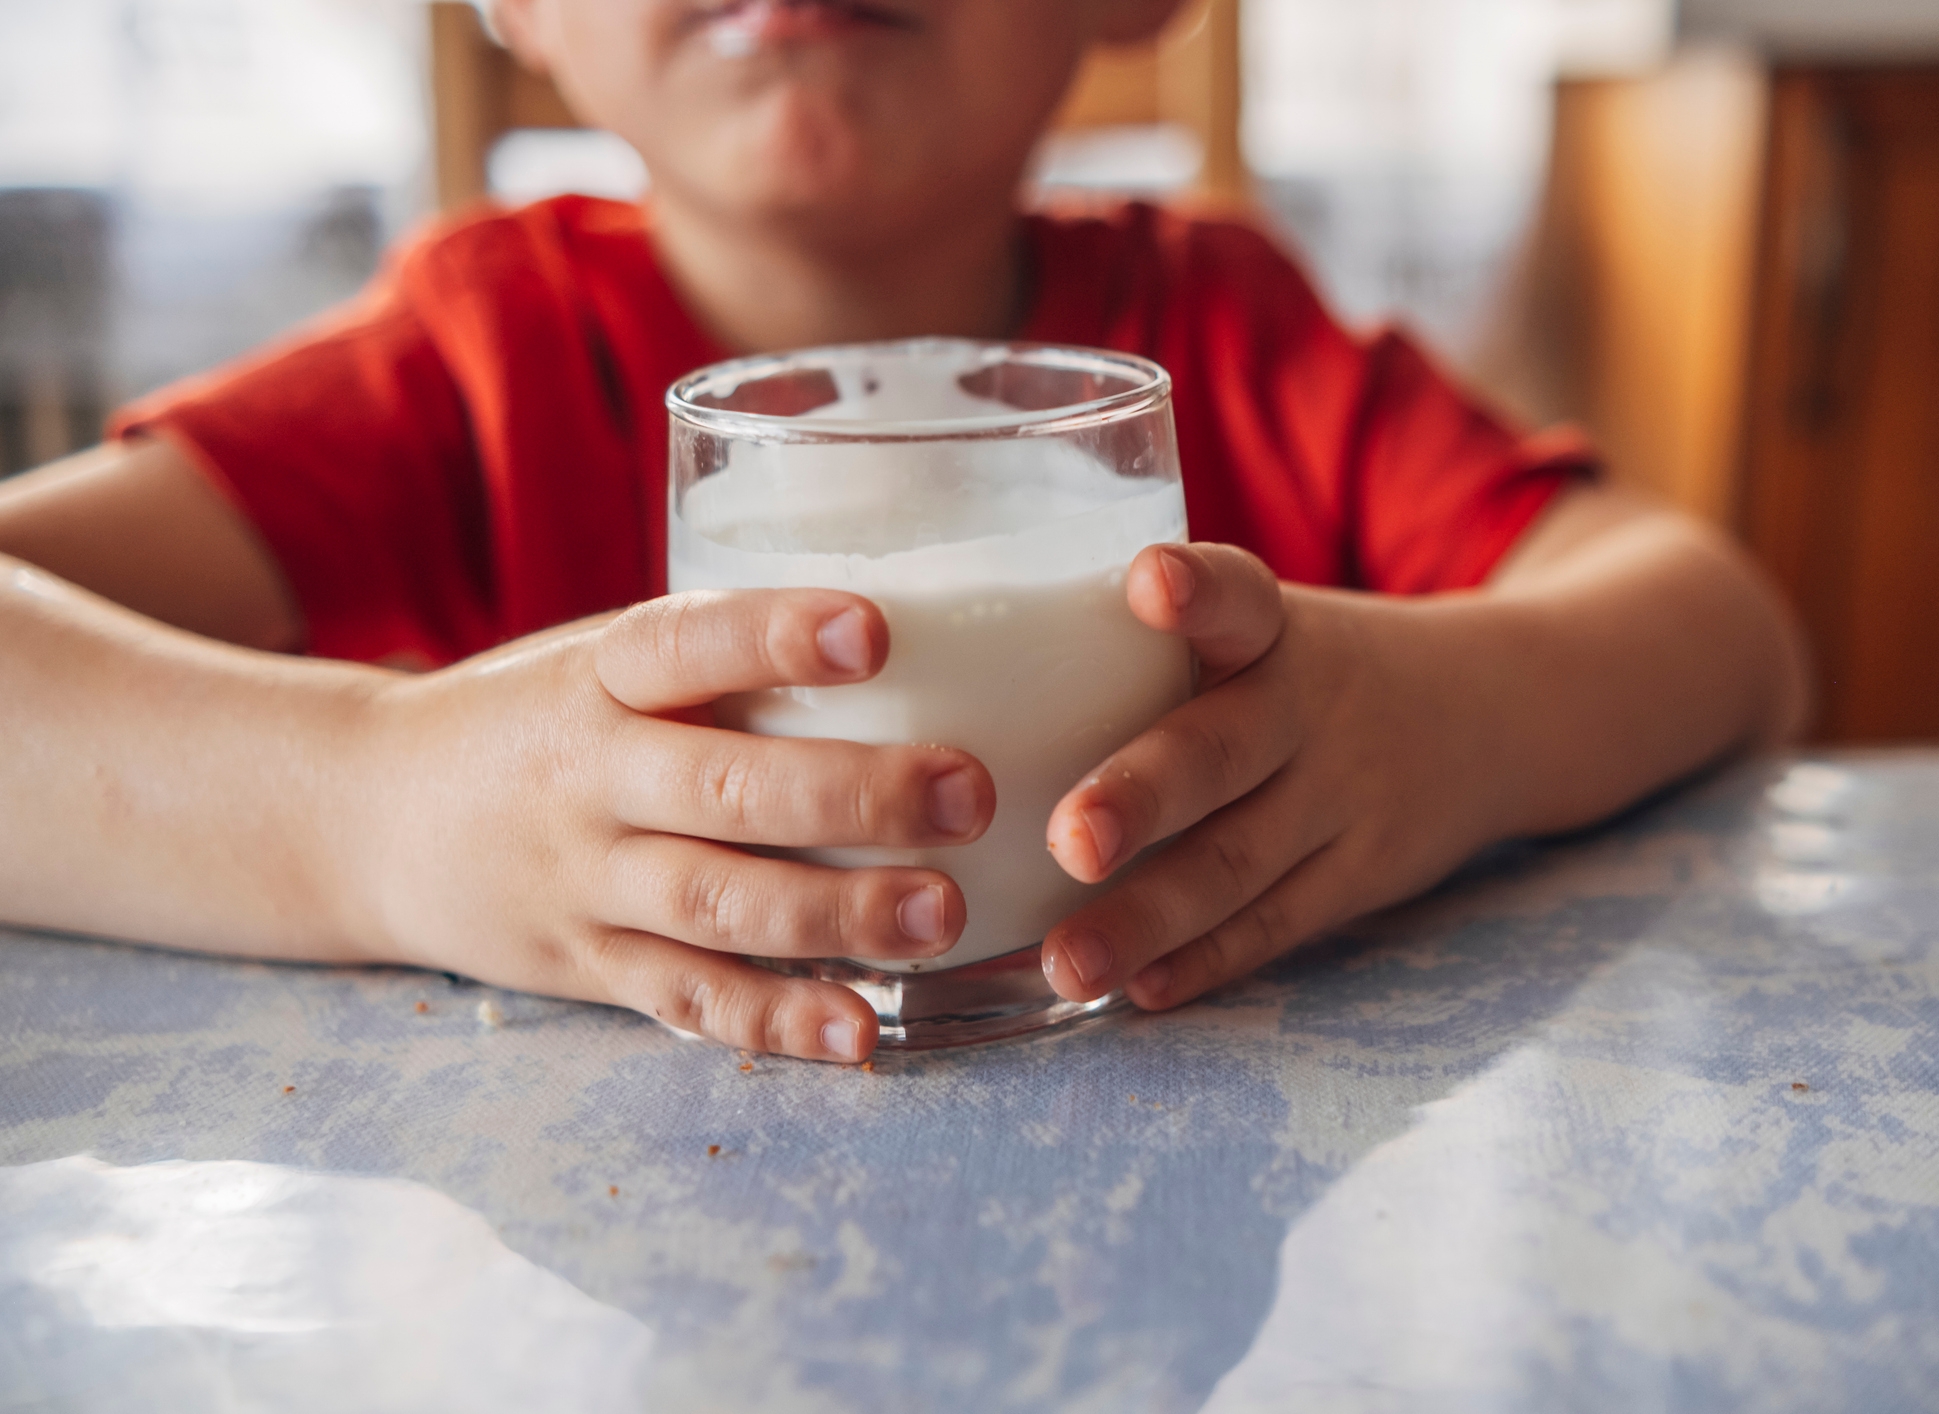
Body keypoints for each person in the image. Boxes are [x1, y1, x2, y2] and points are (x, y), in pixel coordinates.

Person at [0, 0, 1808, 1064]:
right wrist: (372, 809)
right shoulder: (455, 381)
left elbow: (1720, 628)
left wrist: (1446, 723)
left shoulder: (1233, 341)